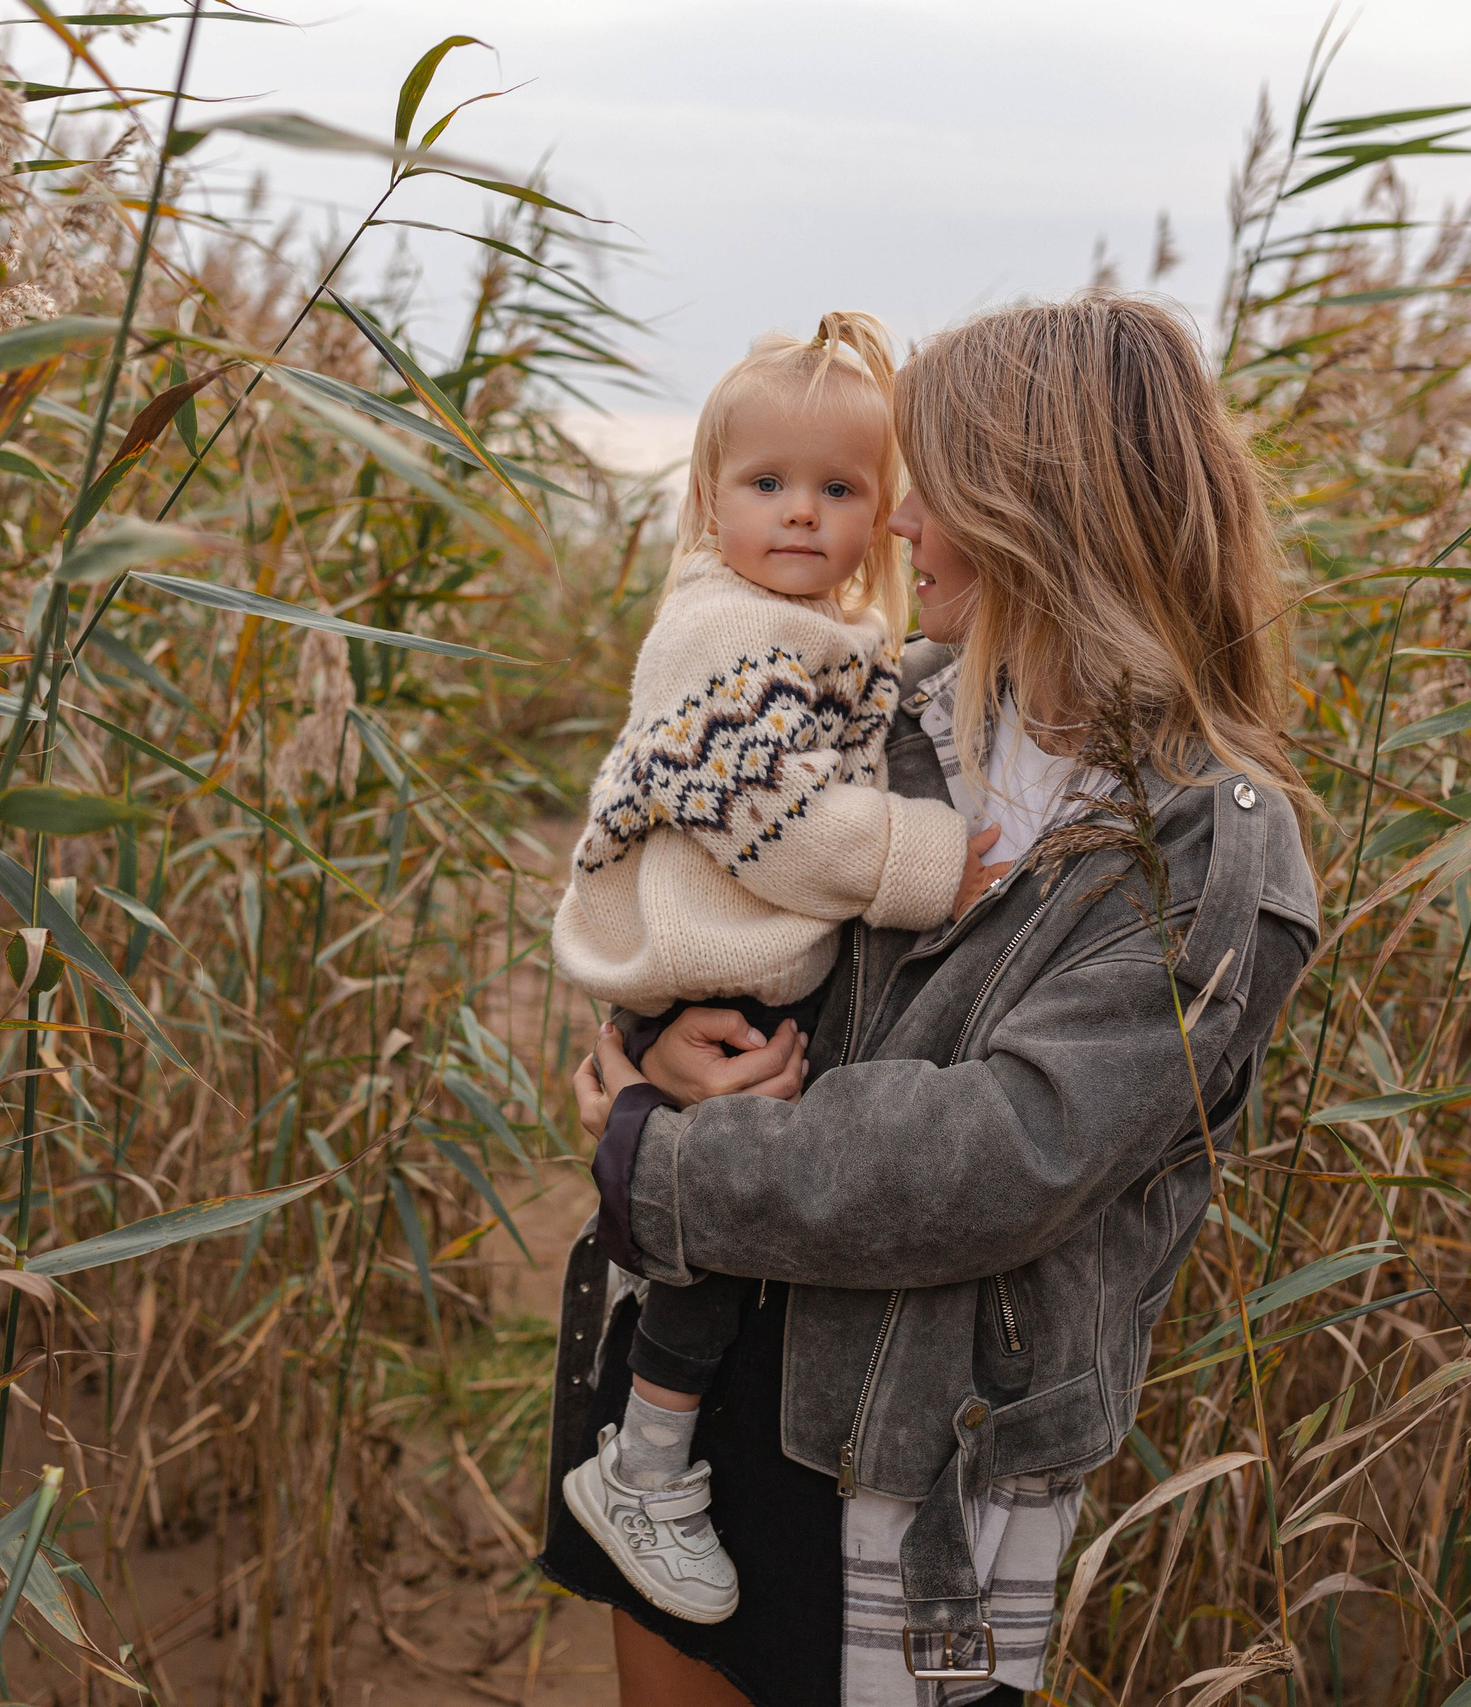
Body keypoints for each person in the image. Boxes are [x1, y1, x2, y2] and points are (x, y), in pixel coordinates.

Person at [538, 293, 1321, 1707]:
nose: (891, 530)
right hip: (695, 1357)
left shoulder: (1211, 850)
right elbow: (706, 885)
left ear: (1037, 516)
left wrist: (660, 1151)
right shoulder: (884, 706)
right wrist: (646, 1045)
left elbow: (995, 1156)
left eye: (928, 493)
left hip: (909, 1453)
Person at [551, 312, 997, 1624]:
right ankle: (643, 1466)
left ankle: (651, 1453)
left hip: (730, 976)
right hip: (713, 974)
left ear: (884, 512)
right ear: (709, 501)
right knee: (722, 1223)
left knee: (723, 1216)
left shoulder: (821, 638)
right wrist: (937, 860)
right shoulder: (718, 636)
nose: (803, 515)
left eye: (840, 490)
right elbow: (775, 820)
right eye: (768, 486)